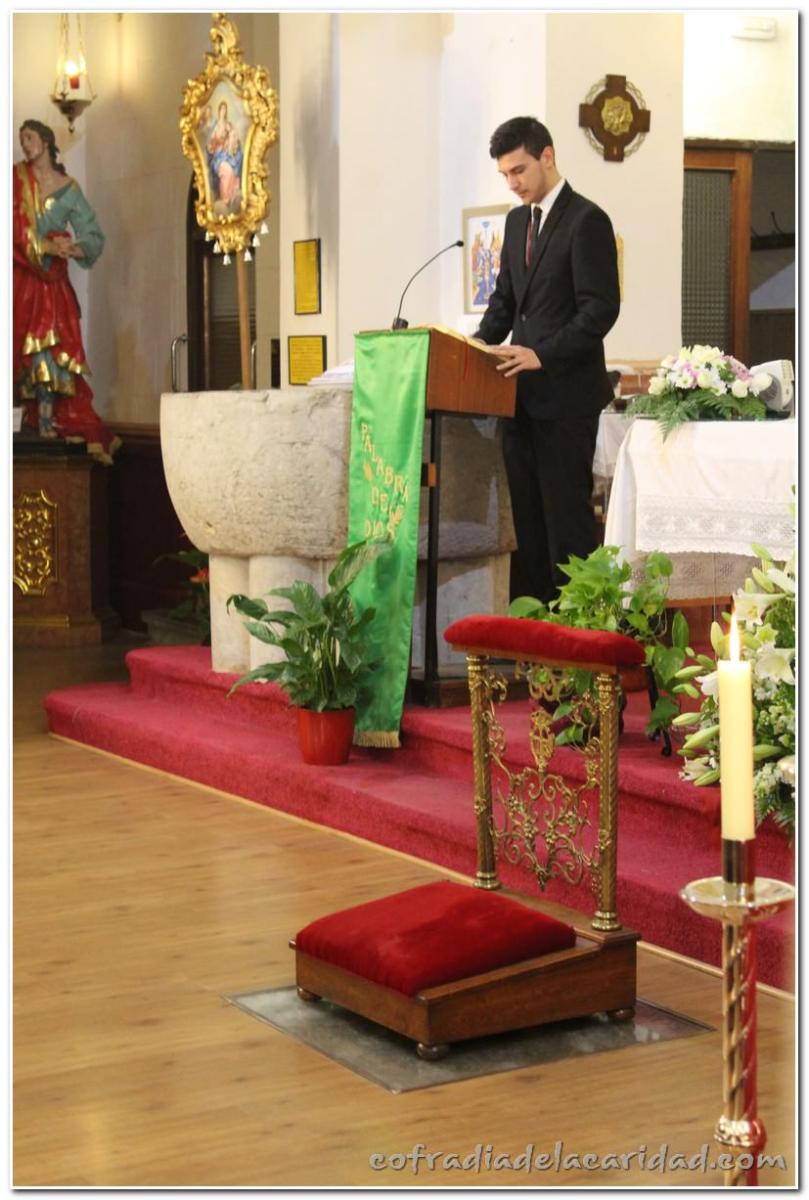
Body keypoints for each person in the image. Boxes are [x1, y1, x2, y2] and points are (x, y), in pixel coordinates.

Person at [475, 116, 620, 603]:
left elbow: (600, 309)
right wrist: (472, 347)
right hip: (518, 400)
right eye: (505, 175)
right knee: (527, 528)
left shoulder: (586, 220)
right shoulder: (517, 222)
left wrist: (541, 355)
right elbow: (504, 303)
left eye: (518, 170)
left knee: (566, 525)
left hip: (566, 401)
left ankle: (578, 628)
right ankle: (534, 630)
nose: (512, 183)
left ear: (548, 156)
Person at [13, 118, 118, 463]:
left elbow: (92, 233)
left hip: (52, 284)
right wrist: (43, 246)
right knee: (18, 349)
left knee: (49, 351)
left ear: (45, 141)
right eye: (22, 139)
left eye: (30, 137)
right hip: (20, 280)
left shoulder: (68, 189)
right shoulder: (14, 180)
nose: (25, 145)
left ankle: (46, 425)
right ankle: (18, 423)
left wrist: (76, 247)